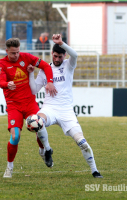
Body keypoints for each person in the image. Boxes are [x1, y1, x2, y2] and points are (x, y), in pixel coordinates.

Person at [28, 34, 103, 178]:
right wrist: (31, 74)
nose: (57, 59)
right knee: (37, 121)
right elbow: (33, 90)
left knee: (82, 143)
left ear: (64, 56)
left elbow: (75, 54)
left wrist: (62, 43)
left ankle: (95, 171)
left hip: (67, 111)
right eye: (55, 56)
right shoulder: (44, 70)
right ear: (52, 54)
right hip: (49, 108)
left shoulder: (69, 65)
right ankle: (47, 150)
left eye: (60, 57)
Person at [0, 38, 57, 178]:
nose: (16, 55)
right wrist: (7, 84)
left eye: (17, 52)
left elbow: (46, 67)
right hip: (14, 105)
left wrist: (50, 82)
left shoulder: (27, 57)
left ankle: (43, 151)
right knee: (15, 136)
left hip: (30, 103)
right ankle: (9, 167)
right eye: (12, 53)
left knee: (40, 127)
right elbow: (1, 81)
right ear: (6, 51)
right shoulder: (1, 63)